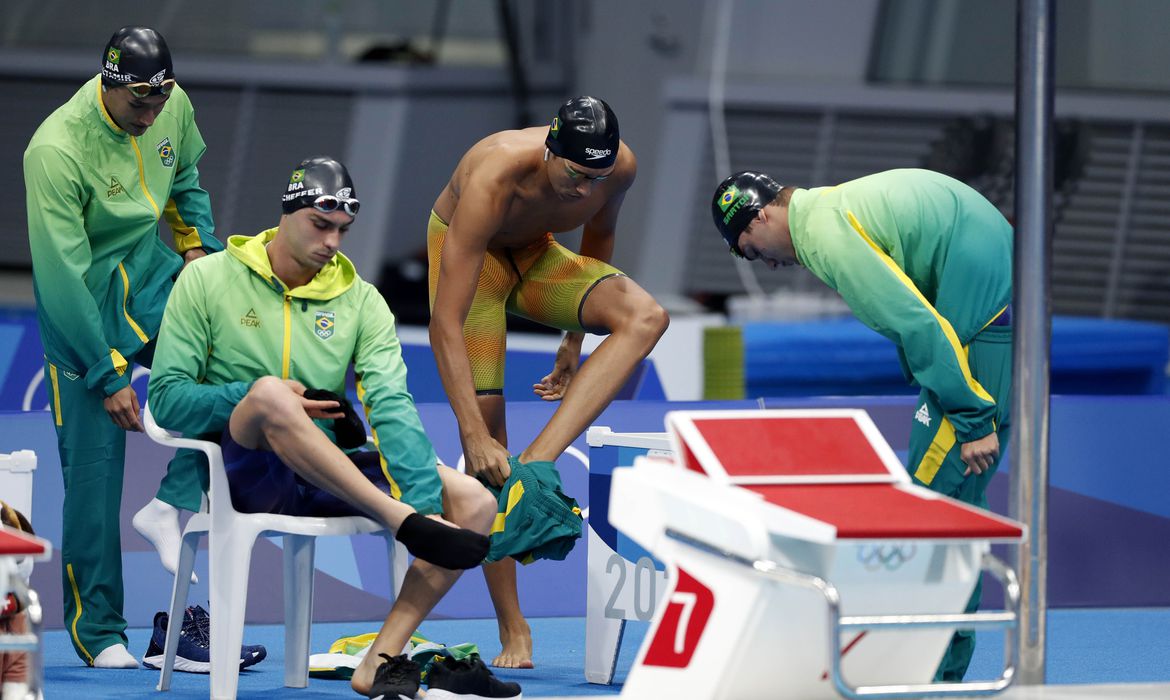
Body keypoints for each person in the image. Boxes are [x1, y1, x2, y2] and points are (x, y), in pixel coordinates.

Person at [147, 157, 516, 699]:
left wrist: (426, 501)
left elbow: (391, 403)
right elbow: (168, 398)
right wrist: (251, 393)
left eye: (342, 230)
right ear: (288, 213)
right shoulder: (207, 278)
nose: (333, 242)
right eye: (321, 225)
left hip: (333, 471)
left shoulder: (362, 300)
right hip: (246, 468)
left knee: (475, 503)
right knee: (271, 392)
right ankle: (400, 520)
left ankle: (379, 660)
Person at [710, 167, 1013, 681]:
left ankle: (930, 678)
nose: (771, 266)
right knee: (954, 510)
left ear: (759, 215)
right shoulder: (828, 210)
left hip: (979, 335)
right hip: (982, 301)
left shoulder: (826, 235)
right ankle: (942, 673)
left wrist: (970, 413)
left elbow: (915, 323)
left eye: (754, 251)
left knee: (932, 513)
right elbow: (912, 305)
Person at [428, 96, 669, 667]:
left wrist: (573, 342)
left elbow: (599, 242)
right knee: (488, 454)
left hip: (538, 258)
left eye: (598, 178)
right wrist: (472, 434)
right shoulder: (494, 172)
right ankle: (514, 628)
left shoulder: (619, 169)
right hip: (475, 267)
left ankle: (537, 461)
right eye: (577, 175)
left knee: (647, 317)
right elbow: (445, 322)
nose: (586, 191)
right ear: (549, 150)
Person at [23, 26, 224, 668]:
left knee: (237, 360)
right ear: (108, 85)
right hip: (80, 308)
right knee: (93, 476)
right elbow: (61, 277)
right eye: (139, 101)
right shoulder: (56, 151)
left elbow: (187, 174)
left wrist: (196, 245)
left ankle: (171, 505)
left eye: (159, 100)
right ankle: (100, 630)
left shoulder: (170, 104)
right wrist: (107, 376)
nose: (152, 113)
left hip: (148, 276)